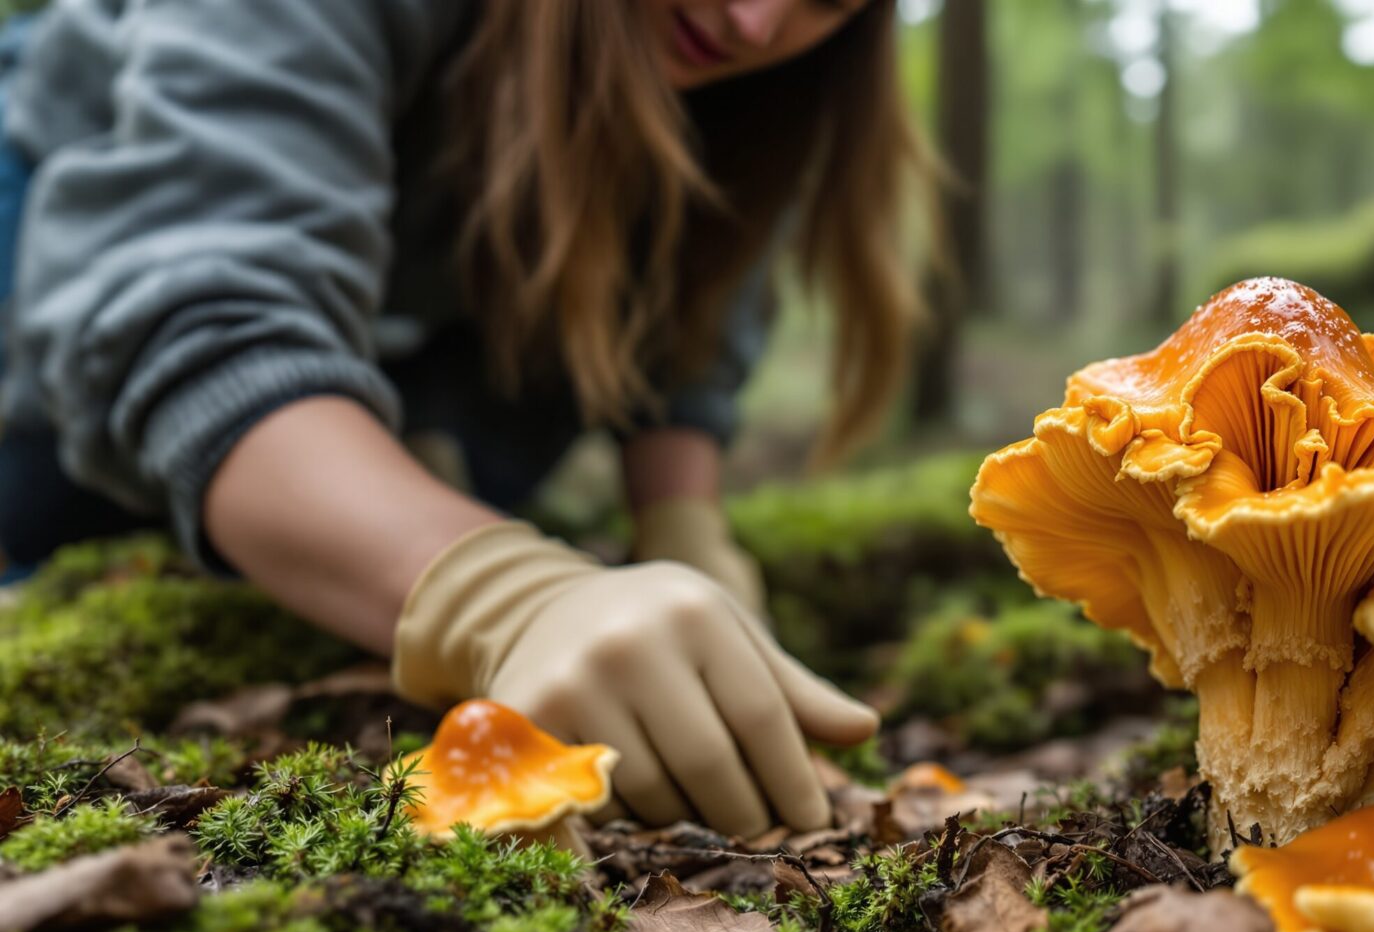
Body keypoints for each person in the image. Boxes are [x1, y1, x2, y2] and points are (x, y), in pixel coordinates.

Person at [0, 0, 931, 838]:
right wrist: (507, 598)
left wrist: (686, 530)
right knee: (52, 507)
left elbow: (687, 331)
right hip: (67, 251)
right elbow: (195, 318)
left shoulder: (722, 68)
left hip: (402, 315)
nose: (752, 24)